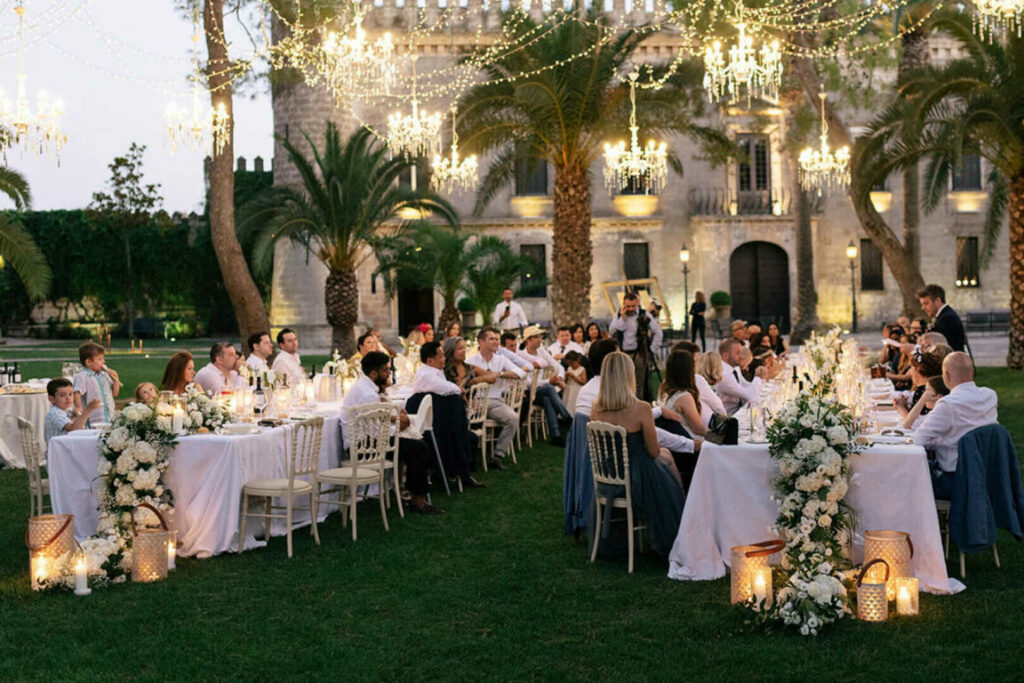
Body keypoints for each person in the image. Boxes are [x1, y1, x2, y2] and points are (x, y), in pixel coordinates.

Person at [590, 351, 685, 557]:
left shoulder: (596, 408)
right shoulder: (641, 408)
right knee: (666, 459)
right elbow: (652, 451)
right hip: (638, 477)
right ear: (628, 377)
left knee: (666, 455)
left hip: (608, 477)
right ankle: (681, 520)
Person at [341, 351, 443, 514]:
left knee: (417, 445)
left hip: (367, 441)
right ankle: (418, 500)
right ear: (374, 373)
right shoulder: (367, 393)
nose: (389, 373)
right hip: (364, 448)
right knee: (419, 448)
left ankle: (410, 492)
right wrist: (398, 427)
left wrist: (394, 417)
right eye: (386, 370)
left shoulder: (367, 386)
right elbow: (377, 433)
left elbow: (377, 420)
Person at [912, 352, 998, 499]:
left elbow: (918, 440)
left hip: (955, 479)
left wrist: (939, 442)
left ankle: (924, 520)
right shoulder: (990, 396)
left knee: (908, 478)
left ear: (946, 375)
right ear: (972, 372)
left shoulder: (948, 405)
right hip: (987, 473)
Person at [411, 341, 485, 490]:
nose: (444, 358)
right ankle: (457, 473)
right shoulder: (427, 375)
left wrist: (456, 390)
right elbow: (445, 388)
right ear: (430, 360)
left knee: (465, 435)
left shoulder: (436, 372)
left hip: (439, 420)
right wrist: (458, 389)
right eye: (441, 356)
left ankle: (460, 472)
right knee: (458, 424)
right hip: (428, 423)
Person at [465, 327, 527, 469]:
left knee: (513, 418)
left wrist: (499, 374)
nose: (496, 341)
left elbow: (521, 373)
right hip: (475, 402)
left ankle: (497, 455)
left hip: (494, 401)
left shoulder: (501, 359)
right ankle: (468, 458)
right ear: (481, 341)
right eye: (492, 339)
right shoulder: (471, 361)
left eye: (497, 339)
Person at [519, 325, 572, 447]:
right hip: (529, 393)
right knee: (548, 388)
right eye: (536, 337)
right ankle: (567, 417)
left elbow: (557, 366)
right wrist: (549, 381)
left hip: (543, 391)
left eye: (540, 336)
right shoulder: (521, 356)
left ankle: (556, 436)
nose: (540, 339)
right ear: (528, 340)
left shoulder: (542, 351)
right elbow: (528, 382)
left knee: (547, 398)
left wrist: (559, 377)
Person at [609, 291, 662, 401]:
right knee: (624, 383)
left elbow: (658, 332)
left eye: (633, 306)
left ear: (637, 303)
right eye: (628, 306)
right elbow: (612, 330)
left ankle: (639, 406)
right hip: (623, 353)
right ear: (624, 304)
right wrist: (622, 318)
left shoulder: (644, 314)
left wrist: (652, 349)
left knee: (639, 383)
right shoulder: (620, 313)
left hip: (639, 353)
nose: (631, 309)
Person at [895, 345, 952, 429]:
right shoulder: (930, 387)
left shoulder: (927, 391)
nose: (910, 372)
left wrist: (901, 407)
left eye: (911, 369)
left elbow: (913, 423)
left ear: (917, 370)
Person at [670, 340, 726, 424]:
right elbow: (717, 405)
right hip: (701, 429)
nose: (696, 365)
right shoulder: (695, 380)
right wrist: (726, 419)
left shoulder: (667, 383)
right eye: (695, 361)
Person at [72, 341, 120, 425]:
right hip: (93, 420)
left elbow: (115, 393)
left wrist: (116, 380)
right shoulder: (83, 376)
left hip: (109, 417)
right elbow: (77, 393)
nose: (103, 361)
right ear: (88, 362)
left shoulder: (104, 375)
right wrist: (78, 407)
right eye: (100, 359)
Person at [716, 338, 765, 415]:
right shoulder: (724, 375)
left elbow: (746, 385)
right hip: (730, 416)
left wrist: (761, 378)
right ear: (726, 356)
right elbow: (750, 396)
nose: (742, 357)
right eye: (738, 353)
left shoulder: (735, 368)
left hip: (740, 410)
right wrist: (758, 377)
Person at [45, 378, 99, 442]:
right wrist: (88, 410)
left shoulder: (68, 410)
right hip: (59, 449)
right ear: (52, 399)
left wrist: (76, 416)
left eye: (70, 394)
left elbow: (80, 426)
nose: (68, 398)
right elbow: (74, 429)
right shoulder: (54, 413)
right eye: (62, 395)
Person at [917, 284, 967, 352]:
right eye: (922, 304)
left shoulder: (947, 318)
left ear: (938, 300)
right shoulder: (944, 315)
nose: (923, 308)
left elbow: (939, 348)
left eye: (926, 303)